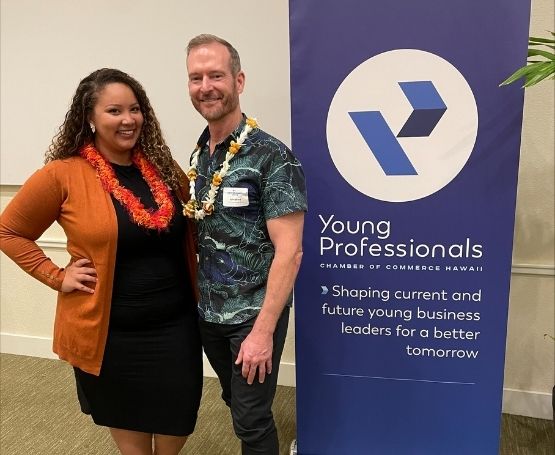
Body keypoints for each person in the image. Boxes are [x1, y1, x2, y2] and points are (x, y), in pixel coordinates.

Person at [0, 68, 202, 455]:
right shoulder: (63, 174)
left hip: (175, 327)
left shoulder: (162, 168)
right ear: (90, 118)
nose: (128, 119)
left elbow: (196, 223)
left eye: (135, 109)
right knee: (131, 431)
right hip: (111, 337)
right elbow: (9, 231)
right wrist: (56, 275)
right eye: (114, 111)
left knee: (179, 416)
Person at [183, 34, 307, 455]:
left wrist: (262, 333)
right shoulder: (201, 155)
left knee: (252, 420)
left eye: (216, 75)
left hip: (253, 315)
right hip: (210, 313)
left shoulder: (273, 156)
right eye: (196, 77)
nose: (206, 86)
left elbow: (290, 253)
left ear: (239, 80)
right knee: (236, 404)